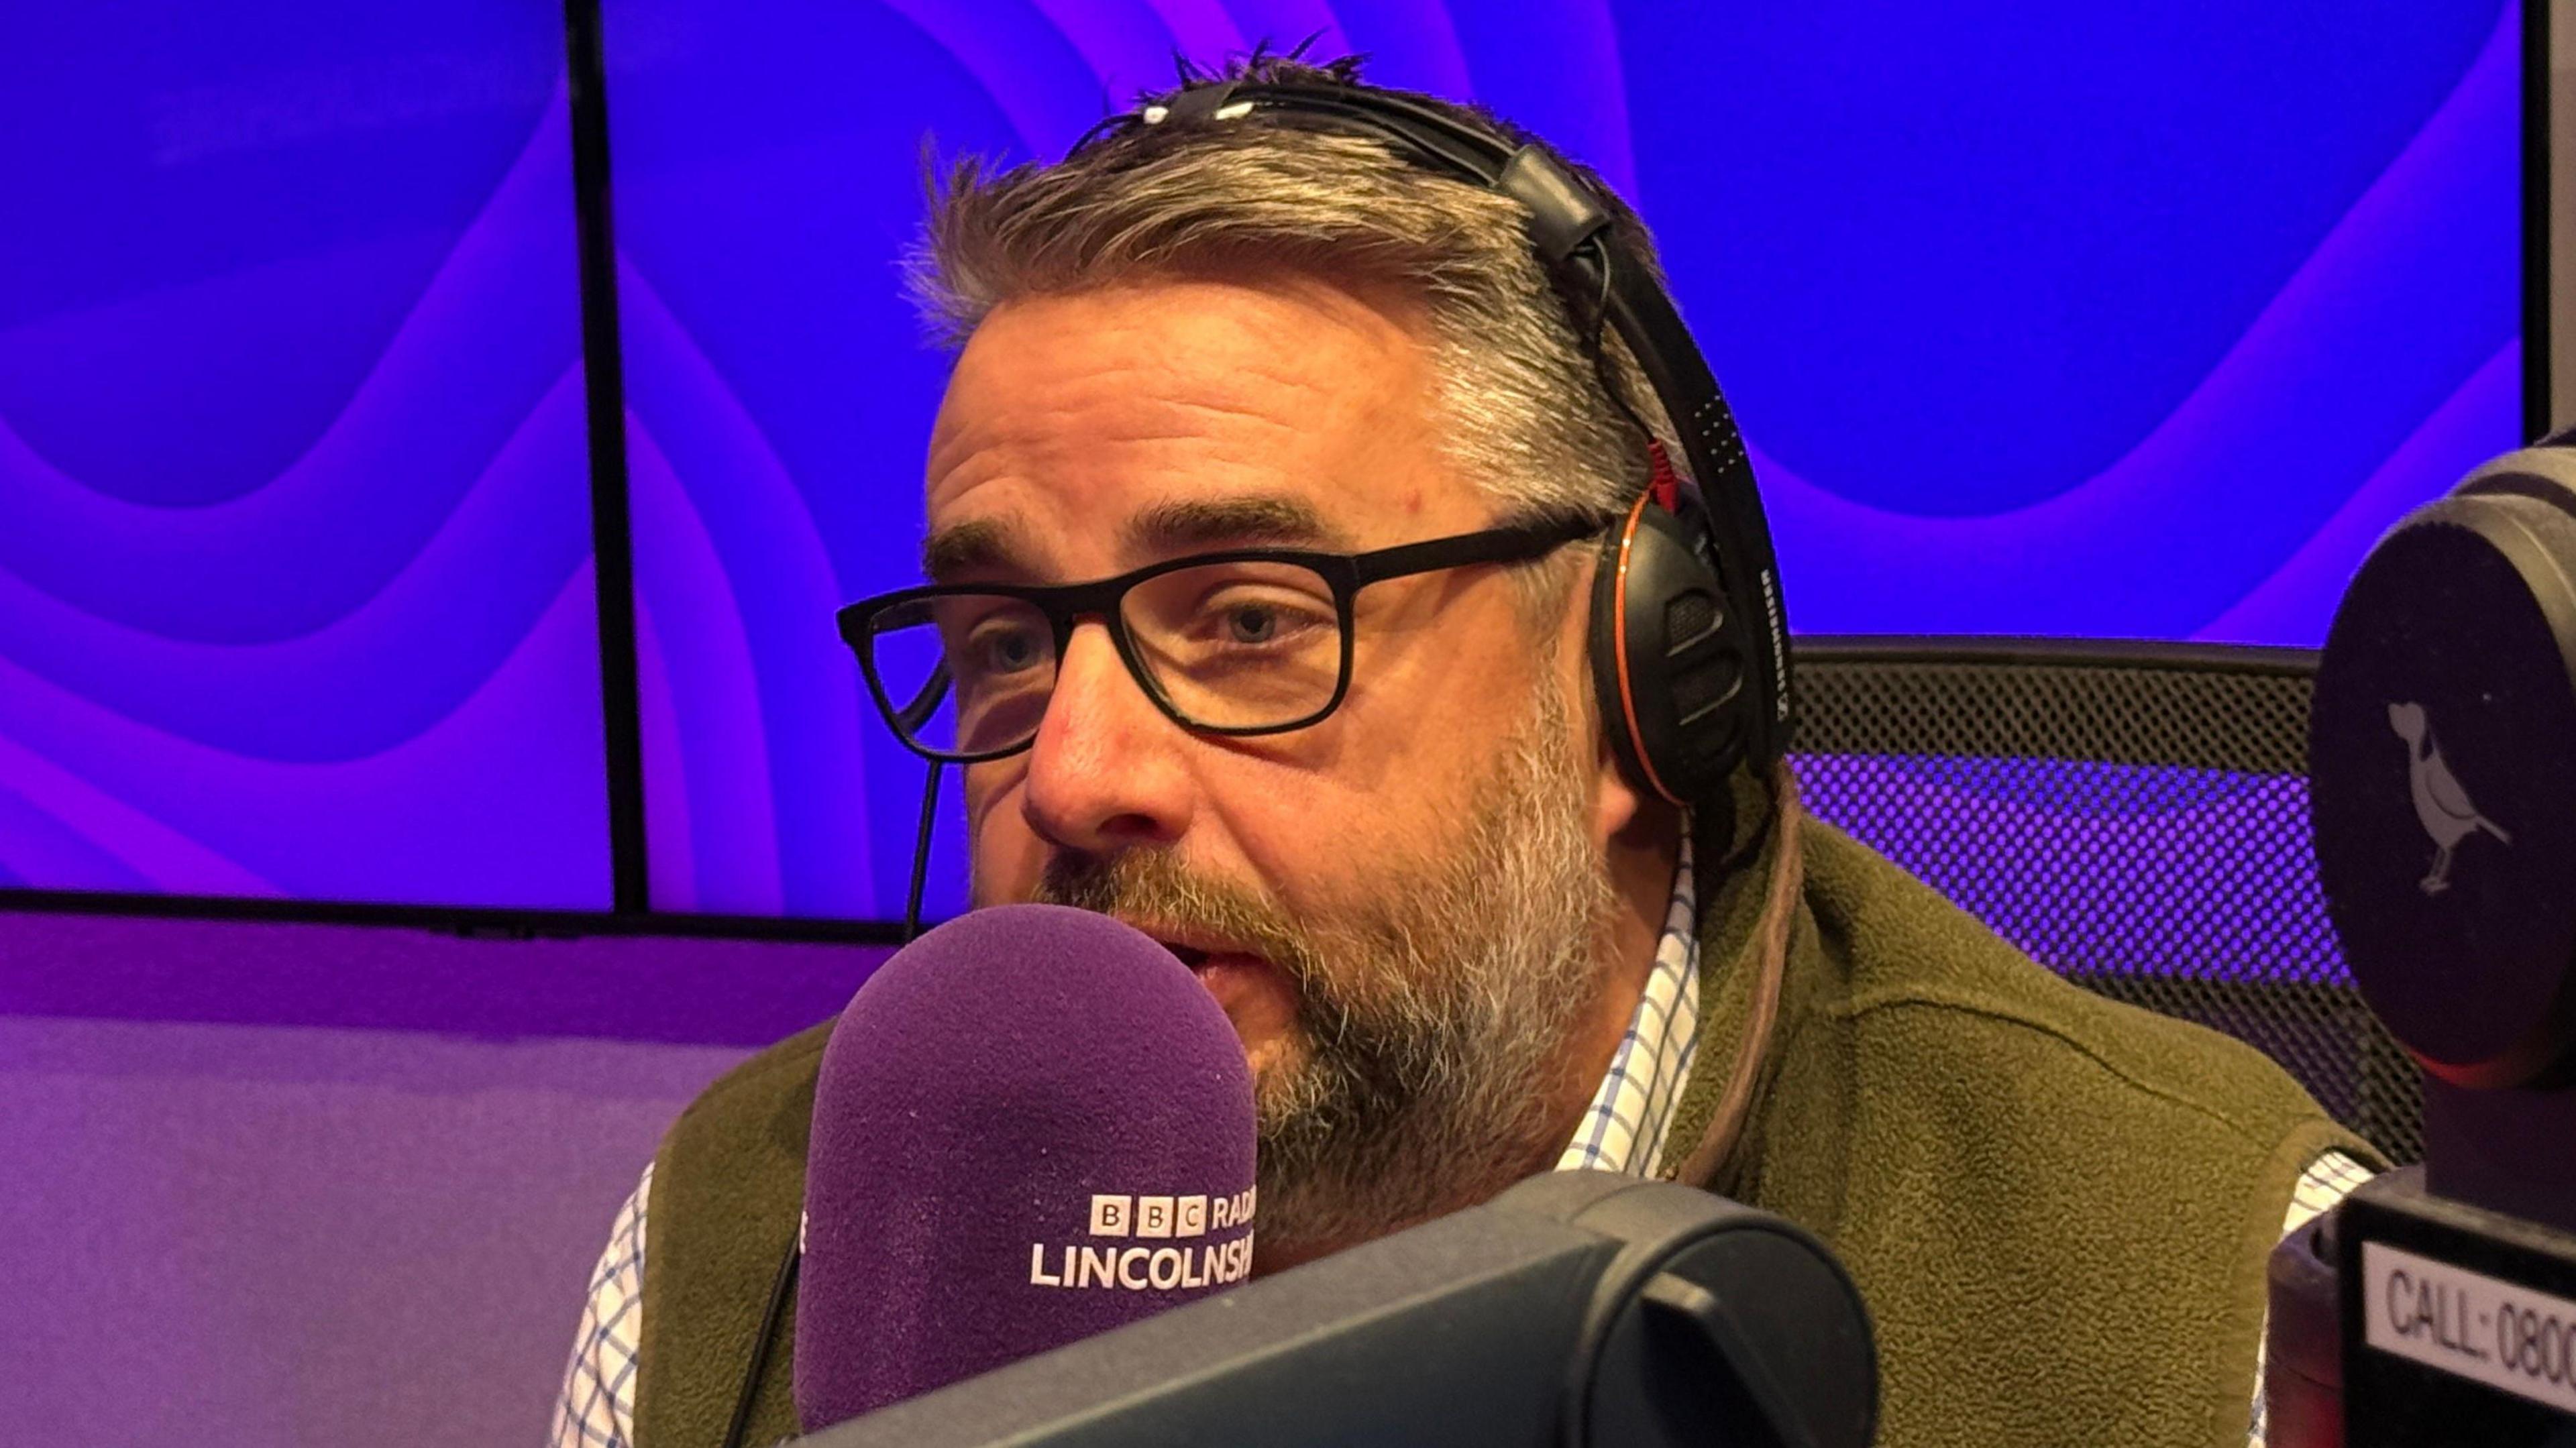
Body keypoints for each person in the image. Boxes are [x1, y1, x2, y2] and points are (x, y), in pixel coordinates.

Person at [552, 56, 2379, 1448]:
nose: (1076, 775)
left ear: (1640, 673)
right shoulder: (738, 1241)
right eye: (1009, 645)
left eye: (1252, 618)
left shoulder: (2217, 1312)